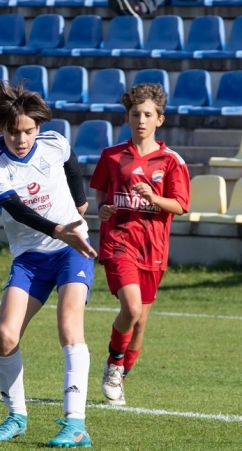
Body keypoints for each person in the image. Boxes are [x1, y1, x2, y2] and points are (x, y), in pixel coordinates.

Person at [0, 81, 96, 447]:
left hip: (72, 250)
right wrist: (58, 228)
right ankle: (16, 416)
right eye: (14, 132)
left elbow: (72, 163)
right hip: (30, 258)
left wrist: (80, 204)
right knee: (5, 335)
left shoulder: (54, 143)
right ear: (0, 129)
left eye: (29, 130)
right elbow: (15, 208)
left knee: (68, 324)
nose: (23, 138)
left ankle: (75, 423)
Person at [90, 83, 190, 406]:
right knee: (130, 308)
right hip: (119, 243)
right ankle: (114, 365)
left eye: (148, 114)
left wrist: (154, 197)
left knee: (140, 322)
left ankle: (120, 370)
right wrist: (103, 210)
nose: (141, 120)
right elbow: (102, 198)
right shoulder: (112, 156)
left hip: (154, 251)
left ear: (160, 119)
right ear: (127, 118)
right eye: (136, 114)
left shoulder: (171, 161)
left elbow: (180, 205)